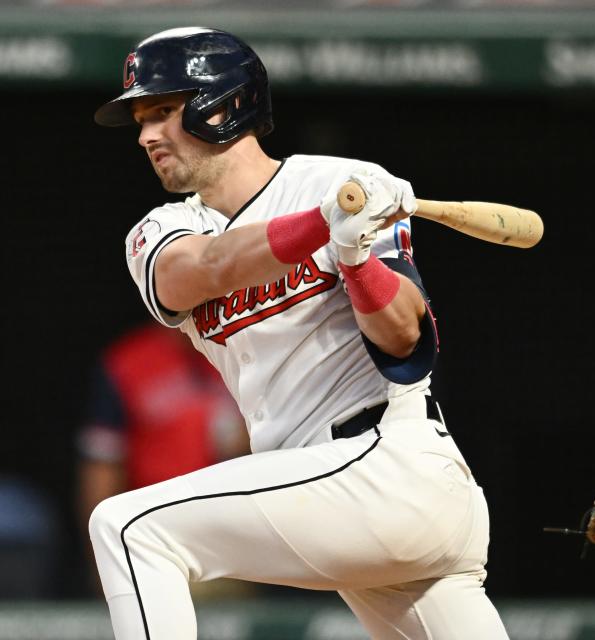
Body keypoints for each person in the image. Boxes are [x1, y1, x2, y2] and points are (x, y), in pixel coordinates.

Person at [90, 26, 507, 640]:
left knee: (129, 529)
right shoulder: (162, 229)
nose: (147, 134)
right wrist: (322, 225)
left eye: (163, 111)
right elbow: (206, 269)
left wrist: (357, 255)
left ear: (224, 103)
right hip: (329, 495)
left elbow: (403, 341)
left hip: (388, 464)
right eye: (141, 120)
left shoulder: (336, 180)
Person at [75, 321, 249, 596]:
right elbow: (101, 467)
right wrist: (102, 557)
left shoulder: (241, 350)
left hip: (231, 540)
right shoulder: (126, 363)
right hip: (157, 536)